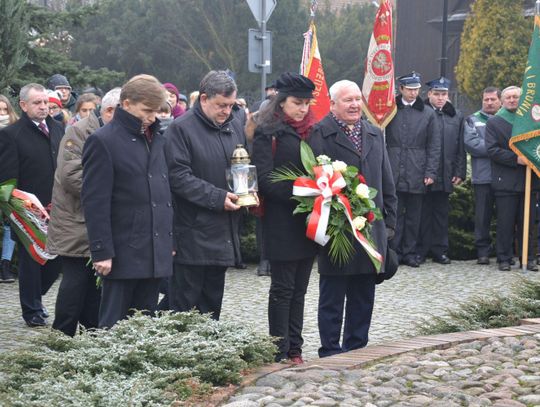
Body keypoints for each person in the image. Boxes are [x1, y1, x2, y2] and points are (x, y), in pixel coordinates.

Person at [309, 80, 397, 357]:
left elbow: (386, 180)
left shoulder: (373, 132)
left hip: (371, 226)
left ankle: (357, 348)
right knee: (333, 294)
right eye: (347, 100)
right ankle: (330, 350)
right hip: (337, 226)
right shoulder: (319, 133)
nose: (355, 105)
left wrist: (390, 224)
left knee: (363, 293)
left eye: (358, 99)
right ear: (332, 103)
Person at [81, 75, 174, 328]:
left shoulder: (156, 138)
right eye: (147, 110)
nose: (152, 117)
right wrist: (101, 251)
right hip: (122, 251)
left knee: (144, 326)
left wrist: (168, 240)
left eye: (156, 111)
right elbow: (95, 201)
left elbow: (163, 194)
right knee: (113, 325)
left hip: (153, 250)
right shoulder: (103, 141)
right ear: (126, 103)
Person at [165, 70, 246, 320]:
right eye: (221, 105)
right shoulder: (180, 128)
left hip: (223, 230)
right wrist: (217, 197)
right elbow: (178, 177)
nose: (227, 111)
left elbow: (241, 166)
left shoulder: (233, 126)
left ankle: (209, 351)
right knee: (184, 305)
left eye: (231, 105)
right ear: (203, 99)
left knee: (212, 304)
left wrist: (247, 191)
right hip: (192, 231)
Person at [251, 72, 318, 364]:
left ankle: (295, 348)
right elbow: (265, 179)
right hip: (280, 221)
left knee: (300, 290)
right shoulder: (269, 131)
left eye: (306, 103)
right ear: (282, 101)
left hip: (308, 221)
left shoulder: (313, 130)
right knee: (282, 289)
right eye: (296, 102)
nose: (302, 108)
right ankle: (278, 349)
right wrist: (302, 192)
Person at [47, 88, 121, 336]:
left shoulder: (114, 133)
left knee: (95, 286)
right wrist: (115, 194)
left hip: (98, 222)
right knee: (75, 284)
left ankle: (93, 334)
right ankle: (62, 336)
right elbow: (71, 177)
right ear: (109, 111)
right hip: (75, 222)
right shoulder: (78, 132)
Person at [0, 84, 64, 327]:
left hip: (57, 207)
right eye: (37, 103)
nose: (43, 106)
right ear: (24, 105)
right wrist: (19, 207)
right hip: (26, 210)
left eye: (45, 102)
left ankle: (37, 298)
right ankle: (32, 311)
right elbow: (6, 178)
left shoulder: (58, 129)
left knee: (56, 259)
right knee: (31, 260)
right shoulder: (11, 134)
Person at [385, 72, 441, 267]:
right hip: (393, 168)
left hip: (417, 168)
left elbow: (434, 146)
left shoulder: (428, 113)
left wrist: (430, 172)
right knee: (394, 213)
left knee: (414, 216)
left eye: (416, 89)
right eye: (410, 89)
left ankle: (409, 252)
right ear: (400, 89)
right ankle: (393, 252)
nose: (413, 93)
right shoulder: (389, 110)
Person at [485, 86, 539, 272]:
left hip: (529, 181)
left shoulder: (531, 122)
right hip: (505, 181)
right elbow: (492, 150)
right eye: (508, 97)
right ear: (501, 100)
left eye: (516, 97)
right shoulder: (494, 123)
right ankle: (504, 258)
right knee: (505, 223)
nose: (512, 100)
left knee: (529, 223)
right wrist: (517, 159)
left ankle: (528, 258)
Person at [416, 77, 466, 264]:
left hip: (446, 172)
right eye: (436, 94)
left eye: (443, 94)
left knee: (441, 214)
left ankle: (439, 250)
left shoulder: (456, 115)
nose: (440, 98)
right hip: (425, 172)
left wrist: (460, 171)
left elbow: (460, 145)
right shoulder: (421, 112)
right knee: (423, 213)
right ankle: (421, 249)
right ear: (429, 94)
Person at [465, 87, 502, 265]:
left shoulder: (507, 119)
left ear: (499, 101)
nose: (489, 102)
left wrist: (492, 148)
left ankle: (504, 252)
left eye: (492, 99)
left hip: (505, 176)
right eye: (486, 99)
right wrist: (498, 149)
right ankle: (483, 252)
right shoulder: (473, 119)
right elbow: (472, 144)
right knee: (482, 217)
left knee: (505, 216)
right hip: (482, 176)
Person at [0, 95, 19, 283]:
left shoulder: (15, 131)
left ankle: (5, 265)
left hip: (8, 185)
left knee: (10, 226)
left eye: (5, 110)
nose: (2, 114)